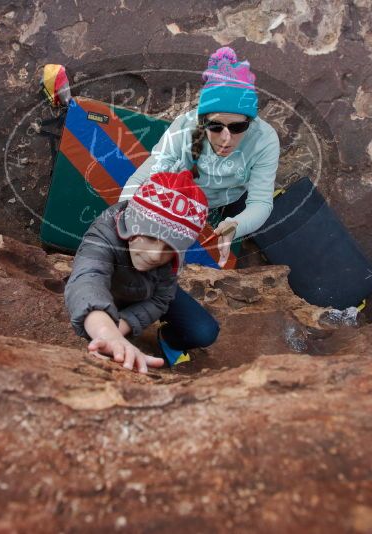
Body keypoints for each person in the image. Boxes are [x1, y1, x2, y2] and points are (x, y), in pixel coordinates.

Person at [117, 46, 281, 363]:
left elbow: (261, 201)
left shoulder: (264, 139)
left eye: (238, 128)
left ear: (252, 121)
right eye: (216, 126)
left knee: (202, 327)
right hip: (179, 200)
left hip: (229, 200)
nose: (225, 138)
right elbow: (140, 184)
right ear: (202, 120)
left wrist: (236, 225)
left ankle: (170, 334)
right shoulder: (184, 130)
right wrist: (136, 231)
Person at [64, 170, 210, 373]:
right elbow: (88, 278)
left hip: (146, 291)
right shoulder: (104, 231)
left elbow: (161, 299)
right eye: (150, 237)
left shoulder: (174, 252)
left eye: (169, 248)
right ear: (132, 225)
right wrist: (106, 332)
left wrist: (120, 328)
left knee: (204, 331)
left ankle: (167, 338)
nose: (155, 256)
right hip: (110, 291)